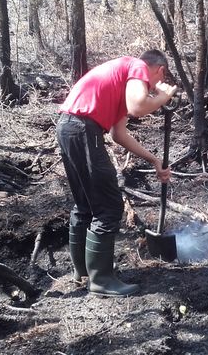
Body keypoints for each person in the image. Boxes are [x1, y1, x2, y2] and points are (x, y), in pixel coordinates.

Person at [56, 50, 178, 297]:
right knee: (109, 207)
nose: (150, 87)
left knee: (86, 205)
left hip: (69, 128)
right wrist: (162, 97)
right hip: (82, 129)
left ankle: (85, 271)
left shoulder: (122, 82)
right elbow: (138, 107)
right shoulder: (137, 67)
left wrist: (154, 160)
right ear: (160, 71)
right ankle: (101, 281)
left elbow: (118, 134)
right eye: (153, 84)